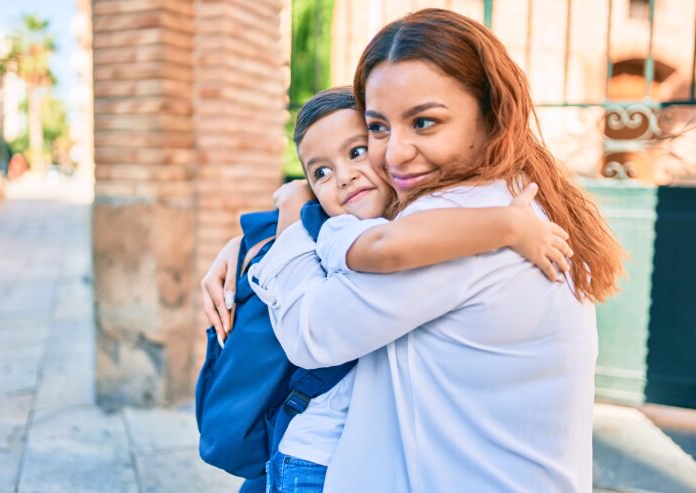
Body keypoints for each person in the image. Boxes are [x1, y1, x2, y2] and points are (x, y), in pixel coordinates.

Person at [248, 9, 624, 493]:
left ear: (492, 115)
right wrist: (252, 239)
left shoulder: (465, 218)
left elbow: (312, 332)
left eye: (424, 122)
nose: (394, 153)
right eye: (379, 128)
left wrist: (289, 217)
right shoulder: (512, 195)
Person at [202, 86, 572, 493]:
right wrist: (508, 225)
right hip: (315, 458)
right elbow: (387, 249)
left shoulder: (393, 223)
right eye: (320, 173)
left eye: (357, 151)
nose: (343, 176)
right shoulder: (341, 232)